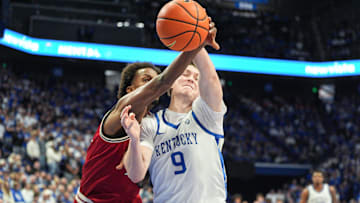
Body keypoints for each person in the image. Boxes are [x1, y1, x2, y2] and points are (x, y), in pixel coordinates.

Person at [75, 19, 219, 203]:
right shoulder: (122, 111)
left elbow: (140, 173)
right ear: (130, 89)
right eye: (145, 79)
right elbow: (162, 83)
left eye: (152, 79)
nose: (151, 83)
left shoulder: (152, 124)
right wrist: (195, 45)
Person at [119, 21, 226, 202]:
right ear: (170, 85)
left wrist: (196, 40)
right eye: (185, 74)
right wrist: (134, 140)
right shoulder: (152, 123)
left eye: (196, 78)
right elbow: (136, 175)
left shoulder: (206, 116)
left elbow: (212, 81)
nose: (192, 79)